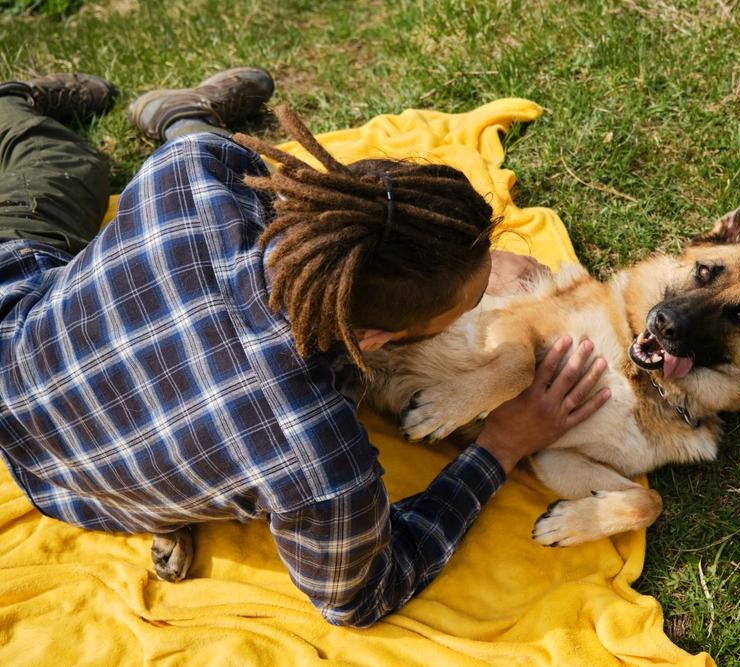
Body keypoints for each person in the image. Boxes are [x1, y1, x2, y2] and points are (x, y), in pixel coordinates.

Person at [0, 67, 610, 627]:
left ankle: (180, 116)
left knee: (82, 169)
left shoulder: (193, 173)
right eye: (474, 296)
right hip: (89, 496)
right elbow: (361, 597)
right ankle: (19, 102)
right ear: (372, 338)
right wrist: (503, 445)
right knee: (56, 158)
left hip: (14, 358)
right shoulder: (319, 462)